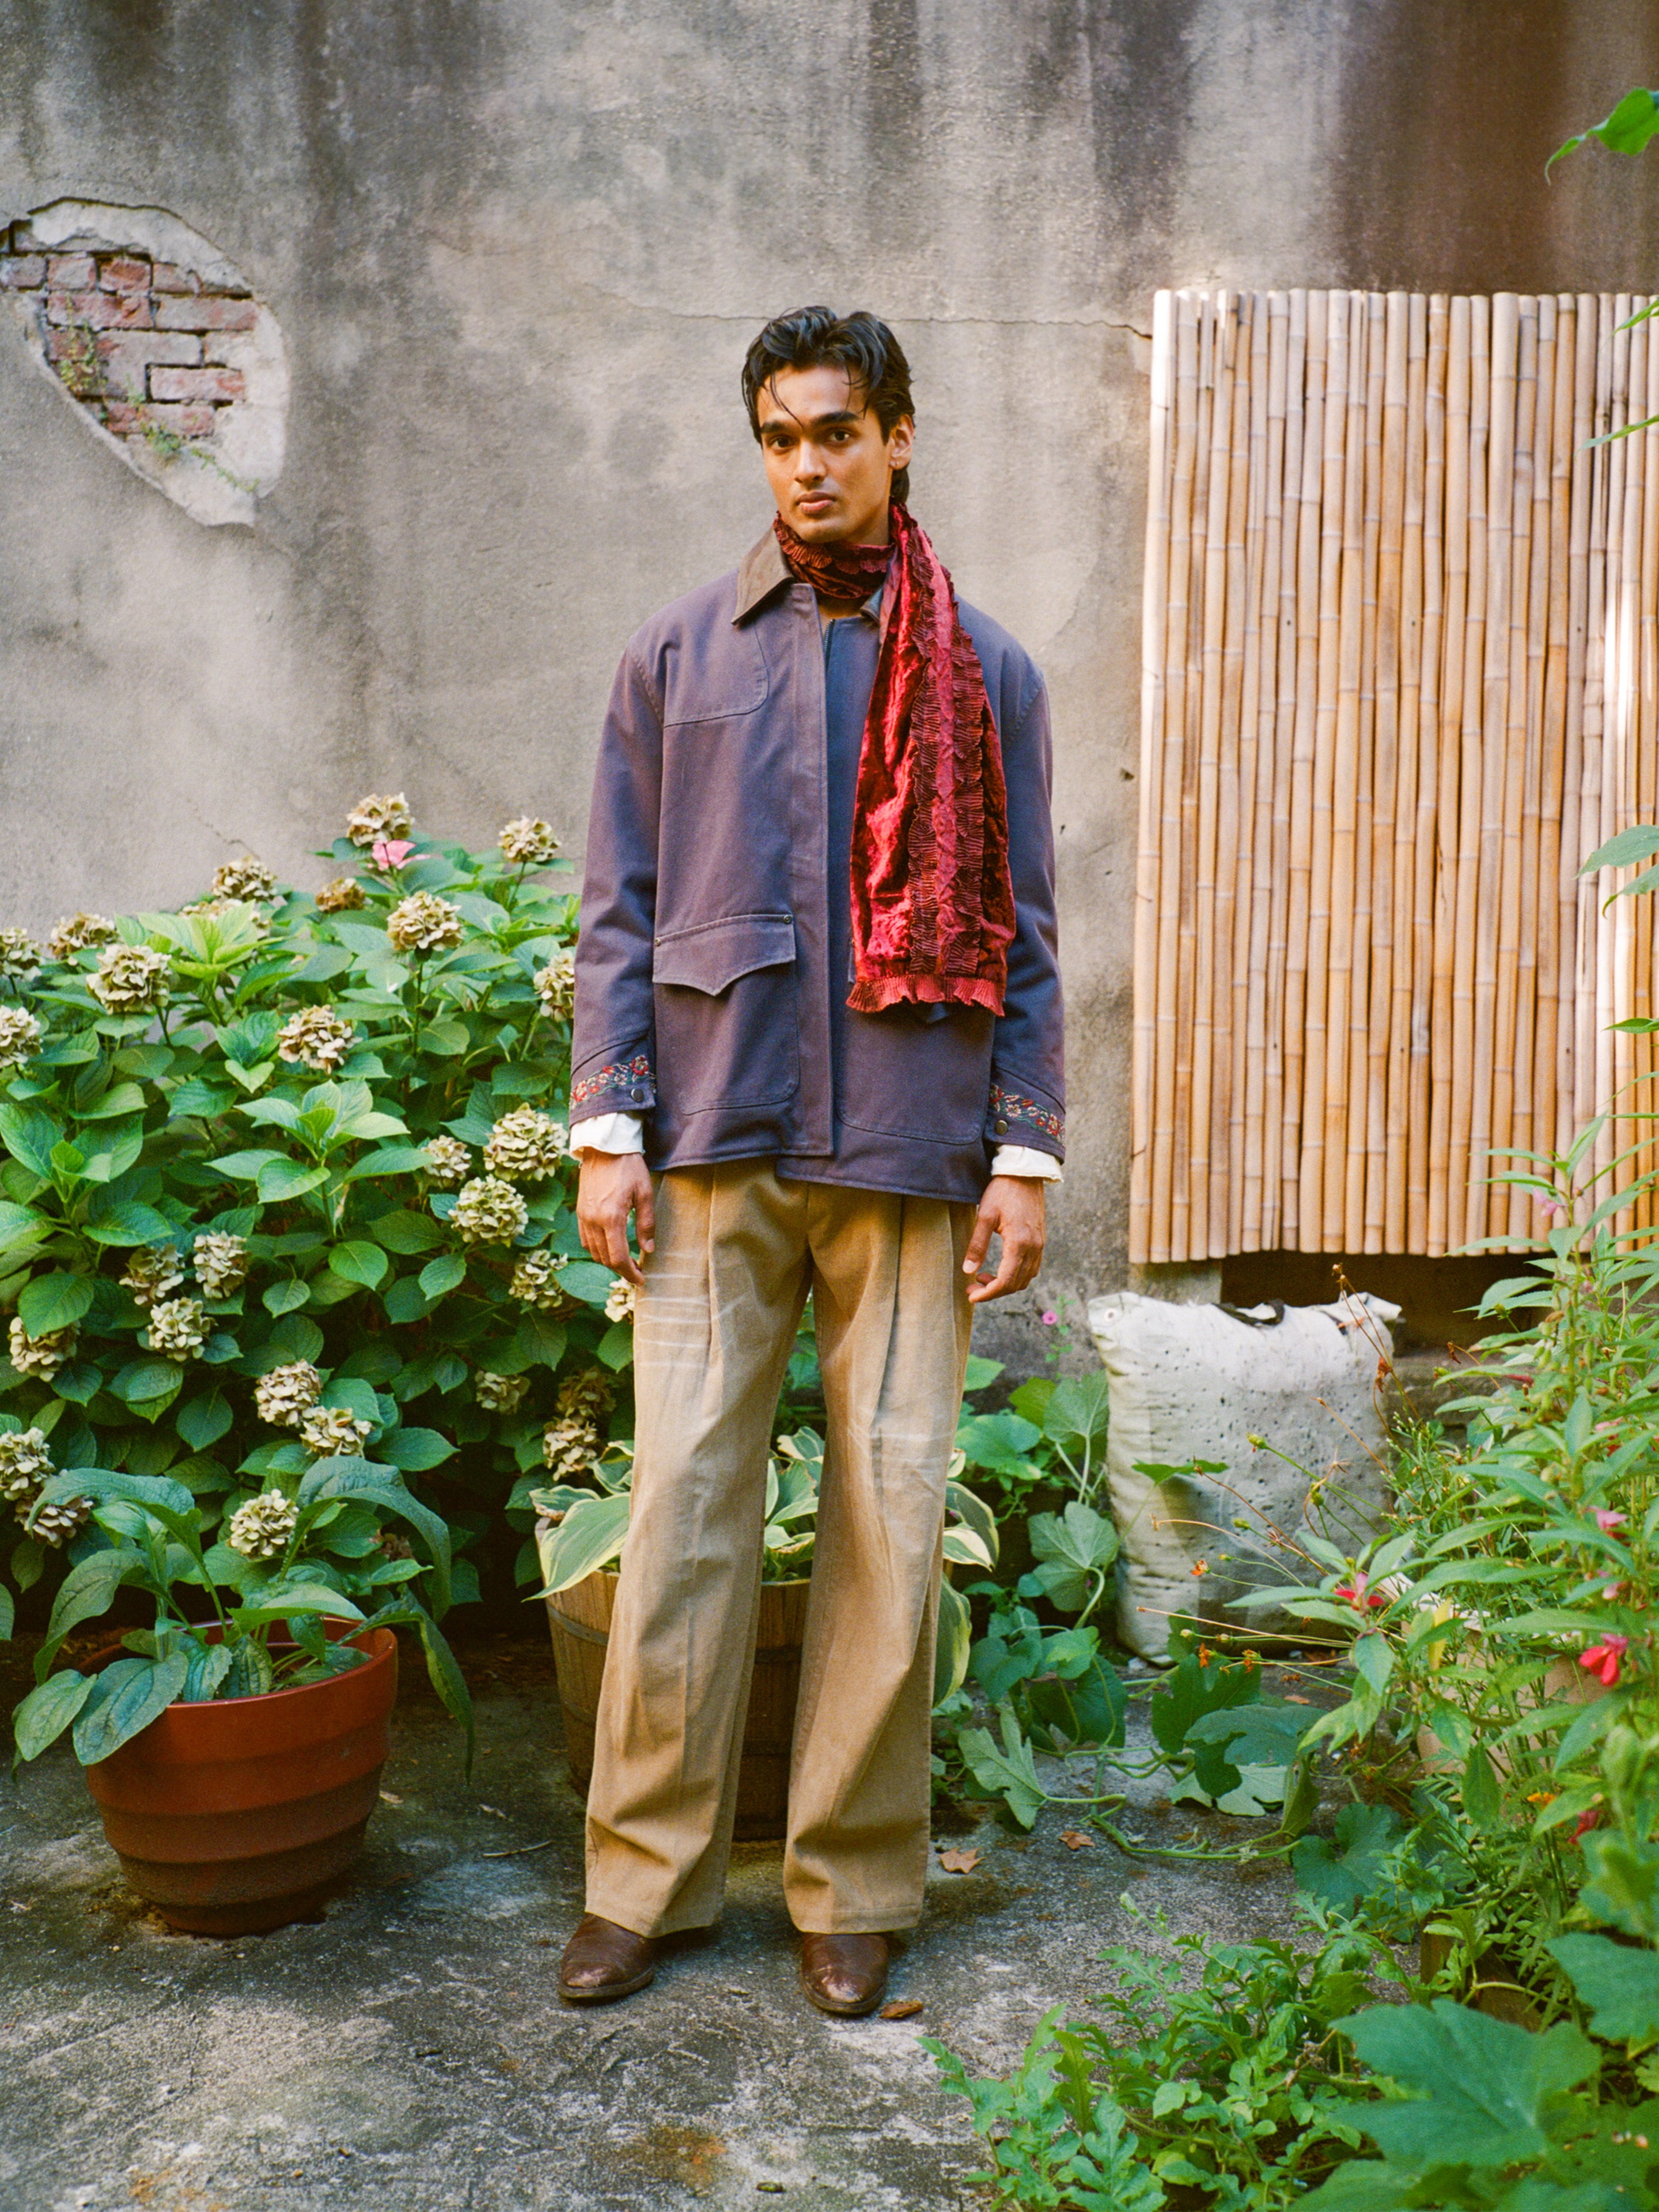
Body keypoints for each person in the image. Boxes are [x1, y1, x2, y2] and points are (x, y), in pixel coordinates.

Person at [558, 306, 1064, 2016]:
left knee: (890, 1514)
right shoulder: (678, 657)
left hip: (914, 1146)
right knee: (684, 1503)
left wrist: (1027, 1153)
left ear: (898, 436)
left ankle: (850, 1885)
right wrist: (608, 1127)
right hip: (712, 1137)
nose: (809, 465)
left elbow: (1031, 934)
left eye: (837, 432)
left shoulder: (987, 673)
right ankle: (643, 1882)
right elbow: (616, 908)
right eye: (780, 437)